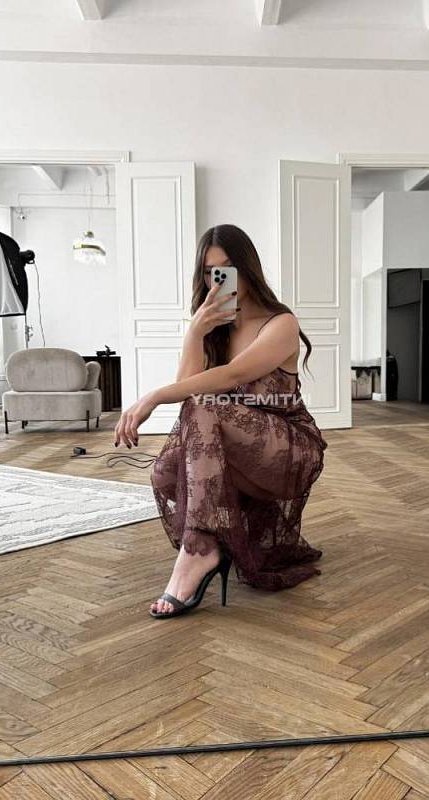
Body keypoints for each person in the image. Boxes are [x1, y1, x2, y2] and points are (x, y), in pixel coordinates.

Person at [114, 223, 328, 618]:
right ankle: (214, 540)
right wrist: (195, 332)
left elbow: (230, 377)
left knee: (207, 405)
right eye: (209, 271)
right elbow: (189, 390)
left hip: (289, 449)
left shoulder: (281, 323)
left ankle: (199, 549)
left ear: (247, 267)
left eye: (227, 268)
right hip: (237, 447)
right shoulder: (216, 329)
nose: (219, 278)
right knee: (165, 474)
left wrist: (152, 397)